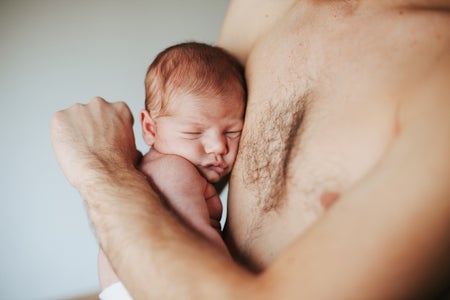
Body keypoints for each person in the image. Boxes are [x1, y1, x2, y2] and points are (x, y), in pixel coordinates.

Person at [51, 1, 450, 299]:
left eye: (233, 132)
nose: (217, 146)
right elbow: (197, 98)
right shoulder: (263, 7)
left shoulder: (439, 83)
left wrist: (99, 168)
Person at [97, 42, 246, 298]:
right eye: (194, 132)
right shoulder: (173, 169)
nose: (218, 146)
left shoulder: (158, 166)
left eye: (232, 131)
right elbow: (195, 241)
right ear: (150, 129)